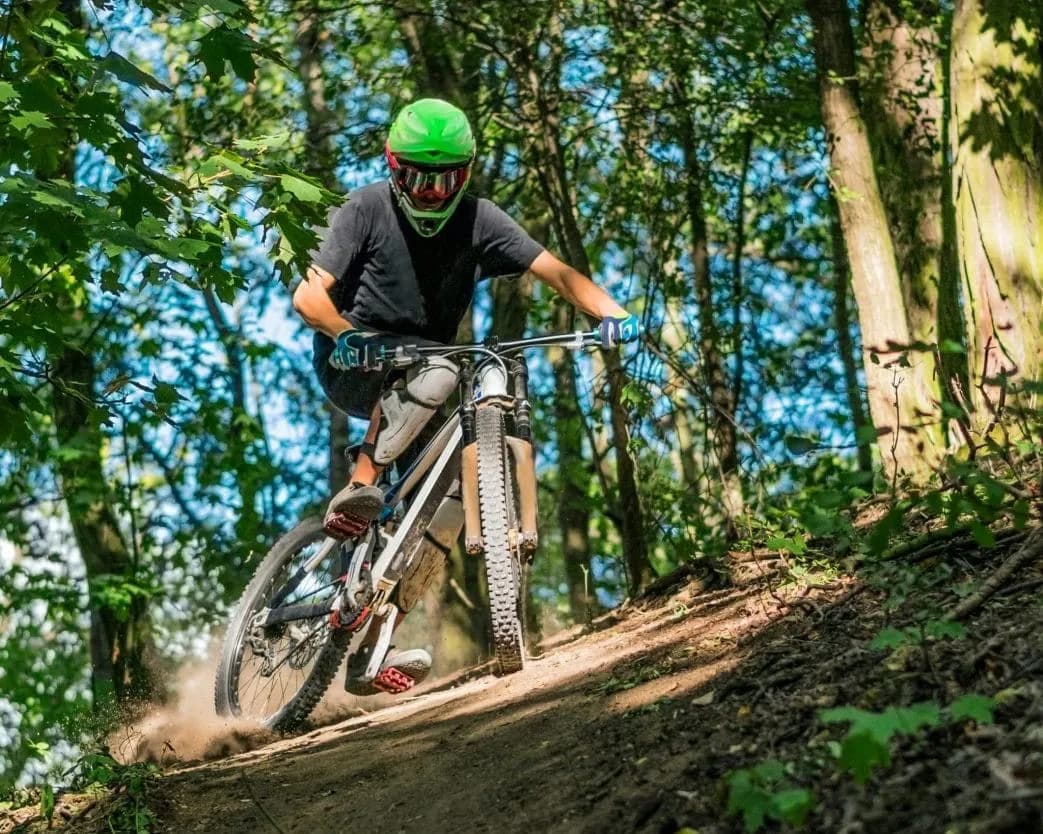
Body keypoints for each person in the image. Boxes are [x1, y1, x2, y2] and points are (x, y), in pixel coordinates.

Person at [292, 97, 639, 695]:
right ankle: (362, 485)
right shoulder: (366, 207)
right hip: (355, 358)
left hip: (431, 366)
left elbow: (554, 271)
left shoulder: (479, 219)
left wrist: (612, 313)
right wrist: (347, 334)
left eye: (444, 178)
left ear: (467, 173)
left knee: (453, 495)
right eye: (417, 177)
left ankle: (373, 648)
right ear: (393, 167)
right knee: (441, 372)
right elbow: (308, 298)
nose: (430, 192)